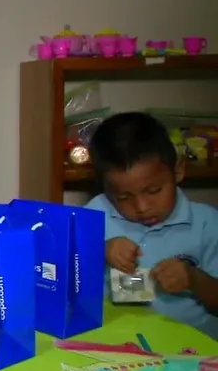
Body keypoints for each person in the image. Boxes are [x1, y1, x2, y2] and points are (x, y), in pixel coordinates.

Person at [84, 112, 218, 340]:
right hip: (118, 345)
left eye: (154, 191)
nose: (142, 207)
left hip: (195, 350)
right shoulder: (95, 214)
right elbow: (61, 280)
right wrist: (99, 250)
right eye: (124, 197)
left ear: (178, 171)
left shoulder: (206, 222)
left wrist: (194, 279)